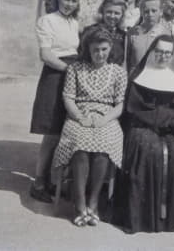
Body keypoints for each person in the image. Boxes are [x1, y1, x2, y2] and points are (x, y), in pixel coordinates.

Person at [113, 35, 174, 233]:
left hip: (173, 128)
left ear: (173, 55)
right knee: (147, 150)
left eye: (167, 53)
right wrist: (162, 118)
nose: (162, 56)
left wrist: (168, 121)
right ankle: (143, 217)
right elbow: (134, 109)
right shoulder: (139, 77)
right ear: (152, 52)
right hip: (143, 125)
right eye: (159, 52)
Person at [52, 28, 127, 226]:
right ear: (88, 49)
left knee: (104, 143)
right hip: (79, 115)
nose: (100, 54)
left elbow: (120, 105)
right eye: (95, 50)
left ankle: (93, 202)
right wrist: (78, 116)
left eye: (104, 49)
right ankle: (79, 203)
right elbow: (68, 97)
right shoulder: (75, 68)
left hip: (107, 117)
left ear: (110, 48)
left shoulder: (118, 72)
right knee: (80, 143)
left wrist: (105, 119)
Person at [30, 0, 81, 203]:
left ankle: (52, 180)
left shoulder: (74, 23)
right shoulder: (47, 20)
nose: (69, 4)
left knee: (64, 131)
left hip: (72, 72)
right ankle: (39, 182)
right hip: (55, 74)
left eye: (74, 1)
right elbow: (46, 55)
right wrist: (69, 70)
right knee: (51, 132)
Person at [126, 0, 170, 75]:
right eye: (146, 11)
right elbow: (126, 59)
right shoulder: (132, 32)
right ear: (141, 12)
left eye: (154, 11)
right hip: (135, 76)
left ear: (161, 11)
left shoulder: (165, 33)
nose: (150, 14)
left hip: (155, 75)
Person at [82, 0, 127, 66]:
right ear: (102, 12)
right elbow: (83, 56)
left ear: (122, 16)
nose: (112, 16)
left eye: (117, 13)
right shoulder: (90, 31)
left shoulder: (124, 36)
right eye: (109, 12)